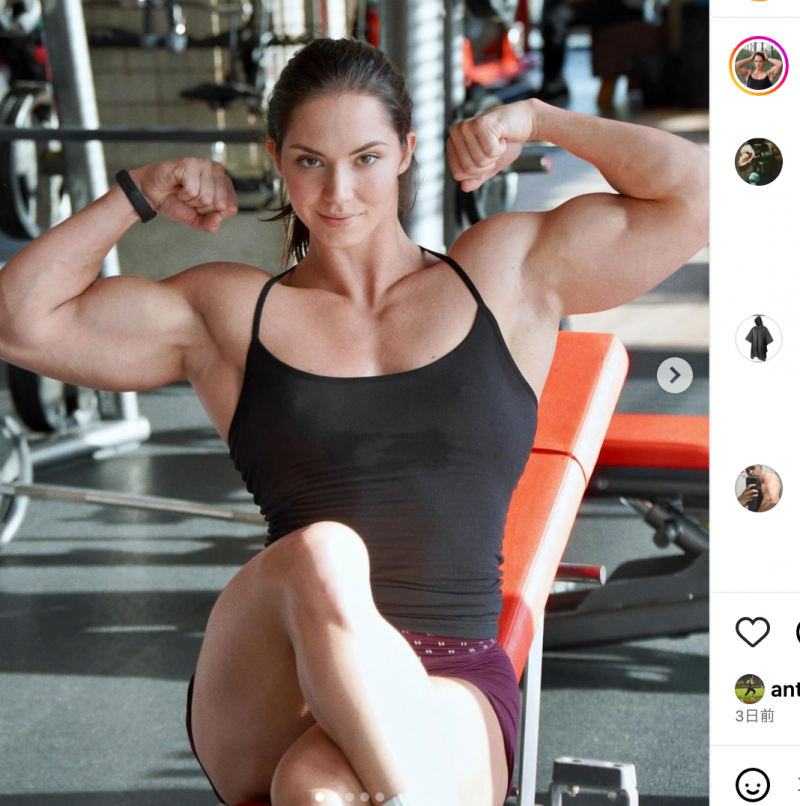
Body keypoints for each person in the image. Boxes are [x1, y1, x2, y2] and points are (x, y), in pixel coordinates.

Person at [0, 36, 708, 806]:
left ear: (406, 152)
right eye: (310, 161)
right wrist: (137, 193)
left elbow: (699, 197)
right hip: (275, 673)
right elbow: (19, 321)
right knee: (324, 551)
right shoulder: (229, 313)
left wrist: (541, 120)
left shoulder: (506, 276)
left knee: (313, 788)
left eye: (366, 158)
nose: (338, 192)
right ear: (276, 159)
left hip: (452, 679)